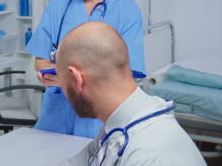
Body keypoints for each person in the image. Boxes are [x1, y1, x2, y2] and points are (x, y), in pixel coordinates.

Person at [25, 0, 145, 138]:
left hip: (103, 117)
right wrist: (62, 76)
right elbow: (41, 62)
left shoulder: (126, 9)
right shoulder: (58, 7)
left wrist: (67, 76)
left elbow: (129, 73)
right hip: (57, 116)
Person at [56, 22, 205, 165]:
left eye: (62, 84)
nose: (64, 93)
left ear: (76, 79)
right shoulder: (117, 124)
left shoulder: (151, 154)